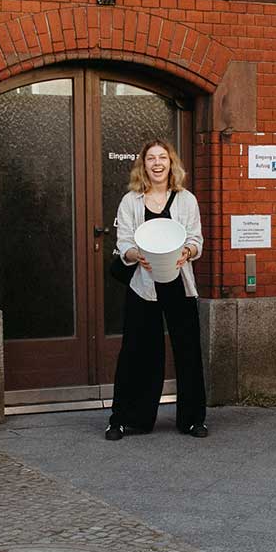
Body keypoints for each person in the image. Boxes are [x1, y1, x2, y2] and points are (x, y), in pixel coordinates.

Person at [105, 139, 208, 439]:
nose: (157, 163)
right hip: (143, 284)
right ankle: (126, 419)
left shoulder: (186, 200)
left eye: (163, 157)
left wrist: (187, 252)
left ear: (171, 163)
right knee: (136, 352)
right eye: (151, 158)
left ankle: (192, 419)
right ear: (144, 164)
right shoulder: (131, 201)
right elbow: (123, 241)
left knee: (188, 351)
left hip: (179, 283)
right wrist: (136, 255)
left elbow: (196, 238)